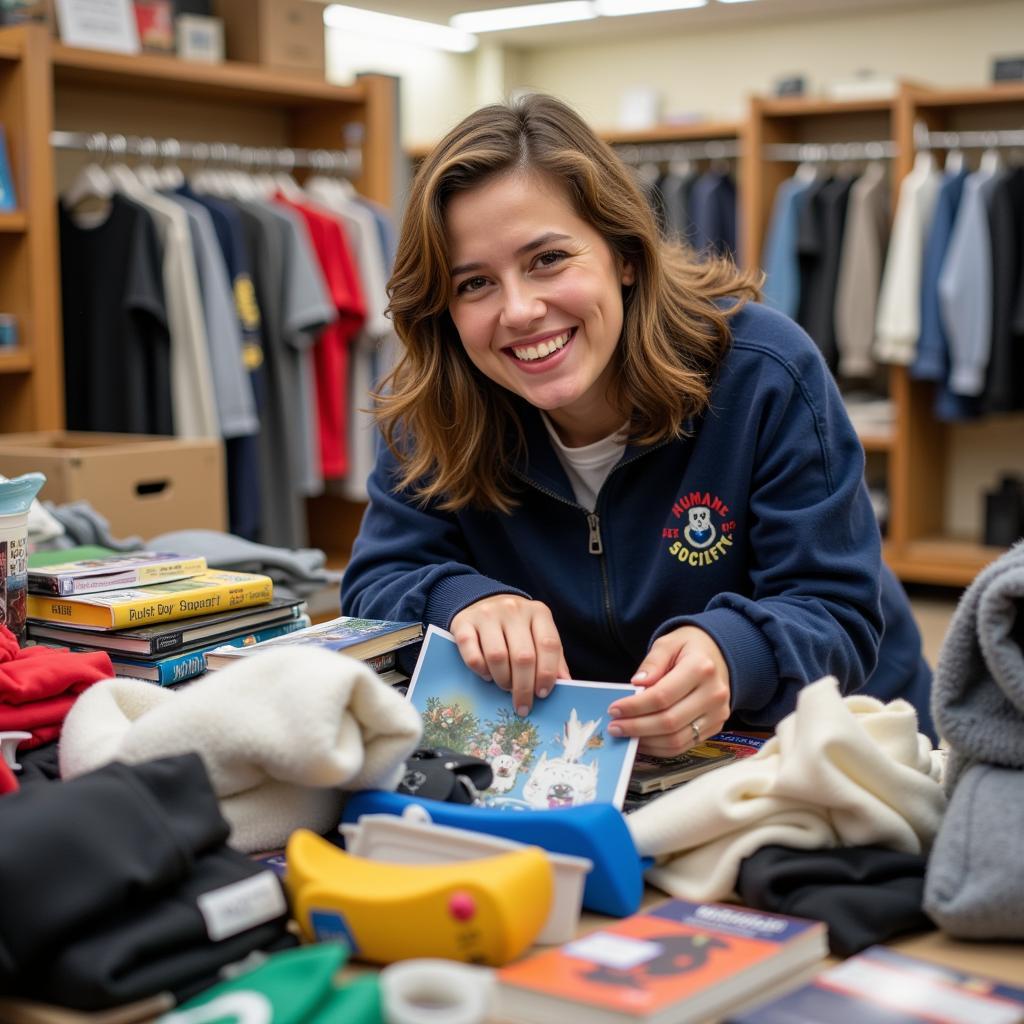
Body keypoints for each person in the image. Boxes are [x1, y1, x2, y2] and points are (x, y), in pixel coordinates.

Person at [341, 93, 936, 754]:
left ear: (624, 255)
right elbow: (373, 584)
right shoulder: (436, 407)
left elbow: (835, 611)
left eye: (547, 260)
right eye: (474, 283)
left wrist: (735, 650)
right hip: (606, 757)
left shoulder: (765, 371)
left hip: (832, 740)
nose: (519, 310)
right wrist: (458, 599)